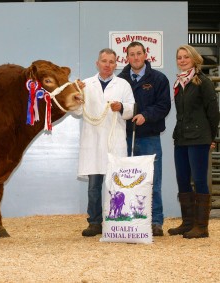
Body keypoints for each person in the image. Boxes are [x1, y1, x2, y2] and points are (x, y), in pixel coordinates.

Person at [75, 48, 135, 237]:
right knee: (94, 187)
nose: (107, 65)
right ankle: (94, 223)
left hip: (114, 140)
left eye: (111, 61)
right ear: (97, 63)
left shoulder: (123, 84)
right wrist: (76, 95)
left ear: (116, 65)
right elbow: (77, 111)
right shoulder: (85, 84)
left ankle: (115, 222)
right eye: (104, 61)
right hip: (92, 142)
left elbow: (131, 109)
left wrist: (121, 107)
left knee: (115, 186)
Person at [118, 41, 171, 237]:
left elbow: (164, 106)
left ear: (145, 54)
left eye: (139, 53)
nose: (136, 57)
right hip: (125, 138)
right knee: (128, 181)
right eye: (131, 54)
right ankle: (132, 219)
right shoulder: (120, 80)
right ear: (127, 57)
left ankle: (156, 221)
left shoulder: (158, 79)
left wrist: (146, 115)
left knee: (153, 181)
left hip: (150, 137)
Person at [168, 44, 219, 239]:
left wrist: (210, 137)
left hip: (198, 138)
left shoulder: (203, 82)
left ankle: (201, 227)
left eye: (185, 57)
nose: (182, 60)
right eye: (179, 57)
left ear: (194, 59)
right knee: (182, 180)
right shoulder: (180, 83)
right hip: (181, 138)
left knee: (199, 180)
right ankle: (187, 223)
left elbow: (213, 113)